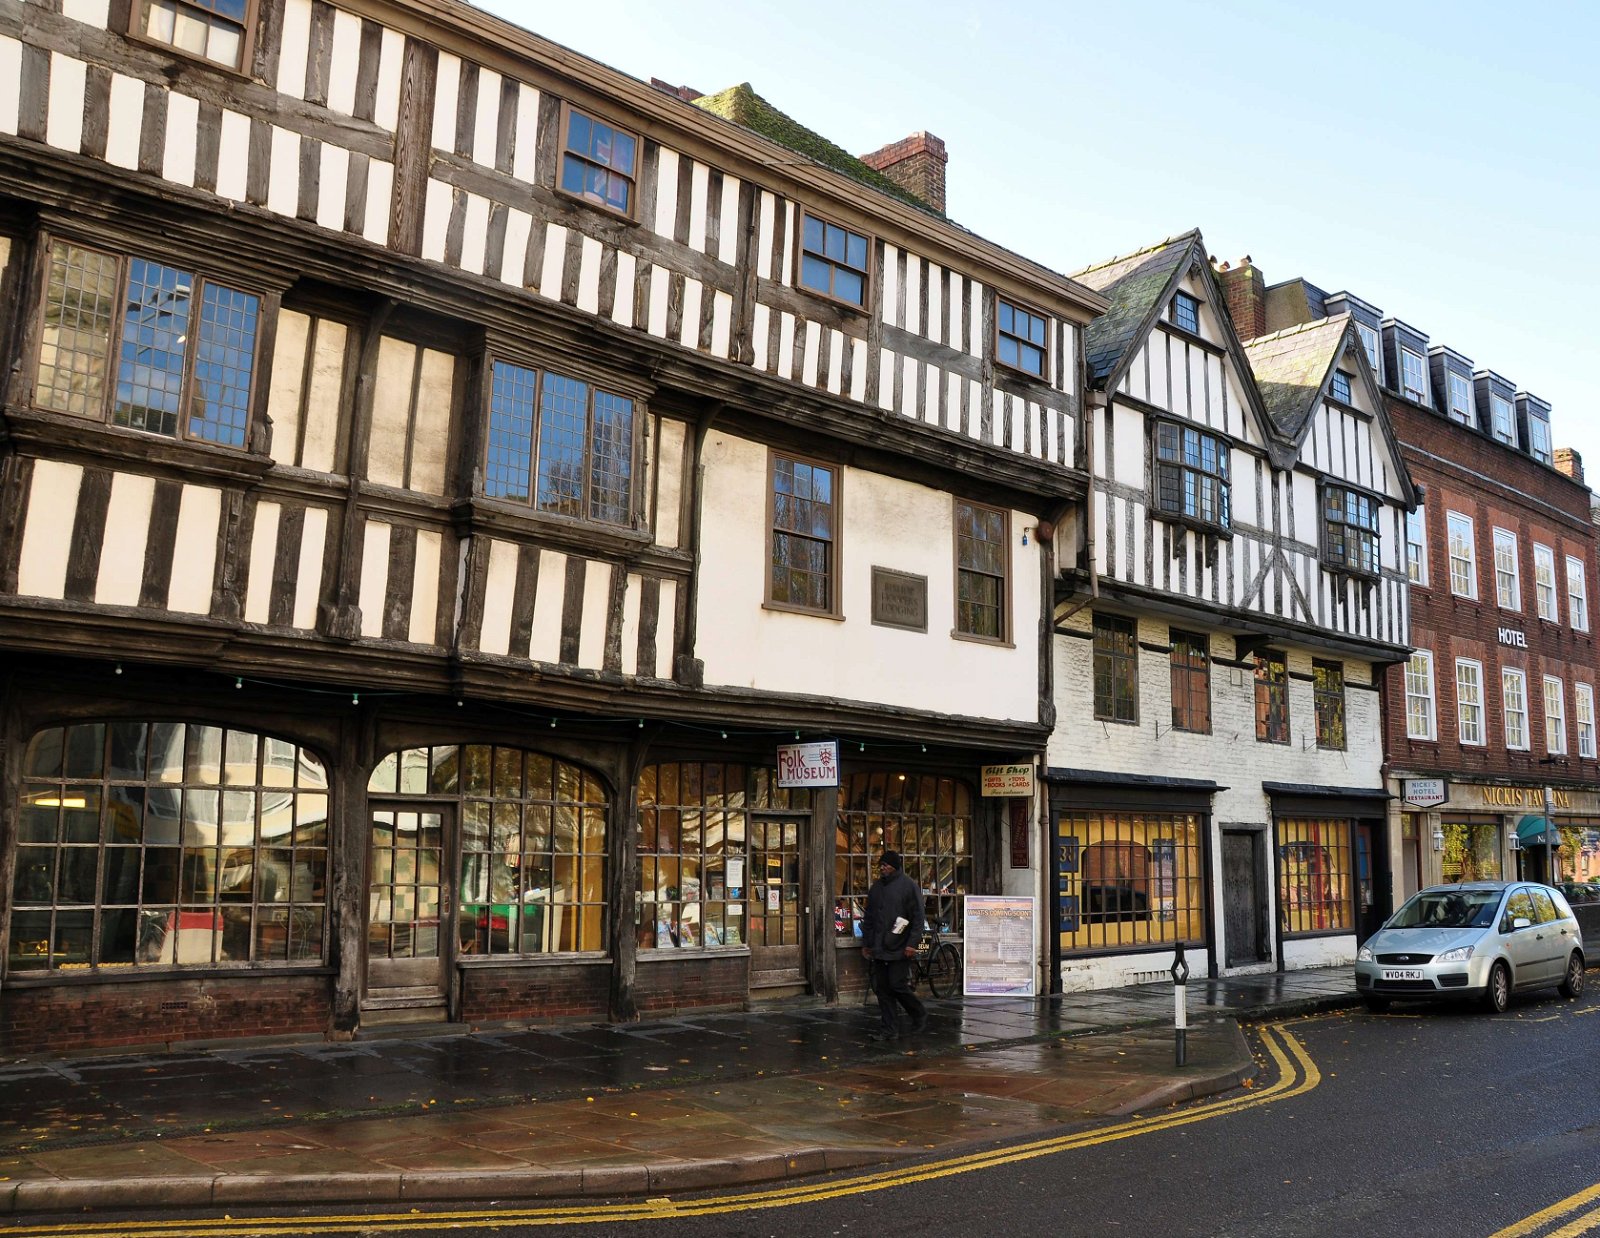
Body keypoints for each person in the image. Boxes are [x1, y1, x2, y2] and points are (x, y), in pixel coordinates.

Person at [861, 849, 927, 1041]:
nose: (882, 868)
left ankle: (918, 1012)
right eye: (881, 865)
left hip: (900, 945)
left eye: (886, 865)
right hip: (879, 946)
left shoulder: (908, 886)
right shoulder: (876, 888)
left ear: (895, 866)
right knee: (882, 989)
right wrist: (867, 943)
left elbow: (918, 918)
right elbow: (870, 917)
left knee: (897, 985)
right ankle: (889, 1029)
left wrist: (912, 943)